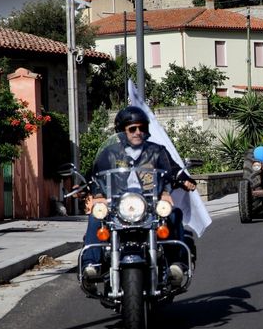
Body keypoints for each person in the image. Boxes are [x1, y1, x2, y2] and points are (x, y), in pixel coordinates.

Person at [81, 106, 195, 287]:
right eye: (132, 128)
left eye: (141, 128)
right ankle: (91, 265)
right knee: (96, 217)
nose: (138, 132)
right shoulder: (110, 153)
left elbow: (172, 170)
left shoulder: (156, 151)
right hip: (117, 203)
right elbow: (94, 174)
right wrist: (88, 188)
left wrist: (184, 179)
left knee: (173, 214)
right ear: (122, 131)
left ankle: (176, 263)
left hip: (150, 201)